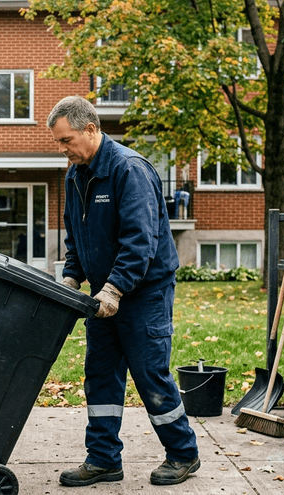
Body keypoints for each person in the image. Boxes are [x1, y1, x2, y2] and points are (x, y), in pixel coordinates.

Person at [48, 96, 200, 487]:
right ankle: (103, 460)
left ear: (91, 130)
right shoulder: (76, 176)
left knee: (150, 373)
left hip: (143, 292)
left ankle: (184, 454)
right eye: (59, 142)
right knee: (100, 374)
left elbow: (140, 241)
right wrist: (71, 277)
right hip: (102, 295)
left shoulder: (128, 170)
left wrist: (115, 289)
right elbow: (77, 237)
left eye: (66, 140)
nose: (62, 150)